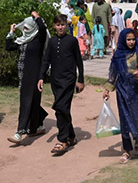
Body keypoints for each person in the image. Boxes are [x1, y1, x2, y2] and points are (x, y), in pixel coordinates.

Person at [102, 28, 138, 163]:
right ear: (124, 40)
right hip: (122, 91)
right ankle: (126, 150)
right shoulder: (118, 55)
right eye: (128, 39)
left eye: (132, 39)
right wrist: (107, 89)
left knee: (137, 116)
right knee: (124, 119)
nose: (131, 42)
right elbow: (113, 73)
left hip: (137, 91)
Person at [39, 14, 85, 155]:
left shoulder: (72, 41)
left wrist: (81, 80)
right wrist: (41, 77)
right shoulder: (52, 41)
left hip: (68, 80)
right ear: (54, 26)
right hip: (55, 80)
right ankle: (71, 136)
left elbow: (79, 61)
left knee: (61, 107)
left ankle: (63, 140)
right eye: (58, 25)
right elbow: (46, 60)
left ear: (67, 25)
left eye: (63, 24)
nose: (60, 27)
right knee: (62, 109)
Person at [5, 12, 49, 144]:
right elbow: (9, 47)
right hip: (23, 75)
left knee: (26, 101)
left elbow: (42, 28)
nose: (25, 30)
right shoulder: (23, 39)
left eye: (28, 27)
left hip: (35, 75)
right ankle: (38, 125)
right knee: (32, 101)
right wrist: (11, 32)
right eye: (24, 27)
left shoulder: (39, 39)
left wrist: (37, 17)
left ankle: (19, 132)